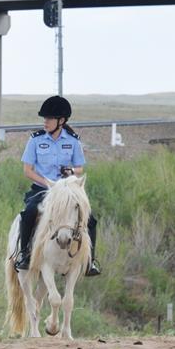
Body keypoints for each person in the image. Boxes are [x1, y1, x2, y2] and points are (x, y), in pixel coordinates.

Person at [15, 95, 101, 276]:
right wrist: (48, 184)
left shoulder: (73, 141)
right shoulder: (35, 140)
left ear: (61, 121)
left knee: (90, 218)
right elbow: (27, 171)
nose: (45, 122)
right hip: (42, 189)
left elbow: (80, 168)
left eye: (49, 118)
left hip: (67, 190)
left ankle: (90, 261)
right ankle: (24, 255)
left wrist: (71, 171)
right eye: (44, 118)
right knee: (29, 212)